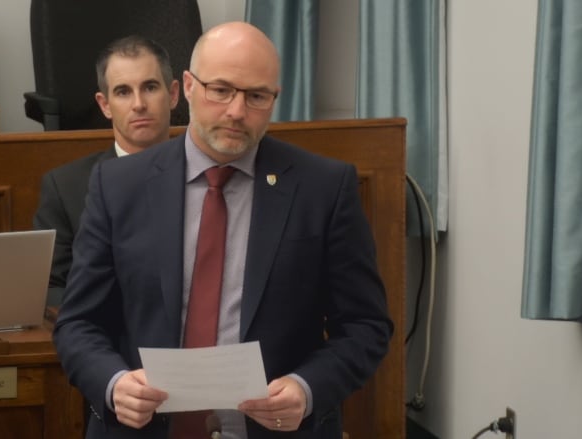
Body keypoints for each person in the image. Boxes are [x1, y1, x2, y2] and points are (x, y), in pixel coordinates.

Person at [53, 21, 393, 439]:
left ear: (275, 99)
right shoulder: (118, 186)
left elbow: (366, 325)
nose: (236, 111)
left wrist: (307, 389)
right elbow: (77, 324)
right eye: (222, 90)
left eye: (256, 96)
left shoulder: (323, 187)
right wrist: (112, 384)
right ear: (189, 87)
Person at [33, 35, 180, 306]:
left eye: (150, 87)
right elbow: (49, 287)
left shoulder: (207, 176)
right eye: (123, 92)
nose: (139, 104)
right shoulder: (66, 187)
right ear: (104, 105)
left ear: (173, 95)